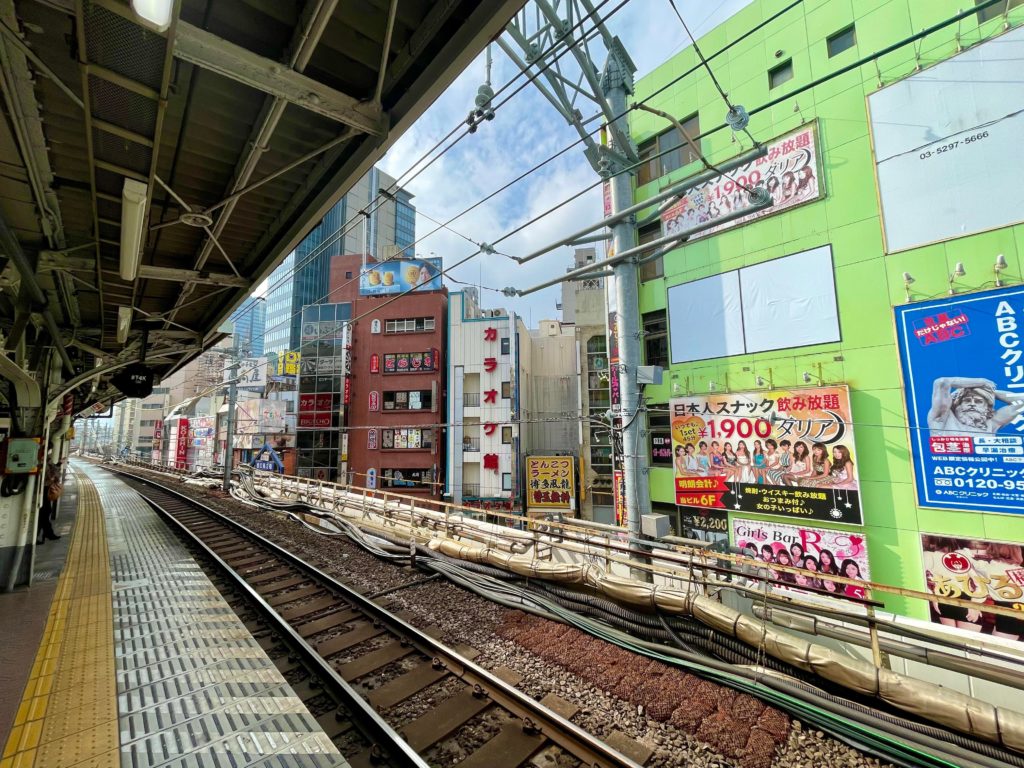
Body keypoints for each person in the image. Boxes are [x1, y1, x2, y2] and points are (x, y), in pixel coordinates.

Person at [928, 377, 1024, 436]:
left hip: (986, 467)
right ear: (958, 405)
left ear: (986, 408)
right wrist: (981, 382)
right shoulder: (942, 419)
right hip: (946, 466)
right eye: (967, 400)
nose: (972, 404)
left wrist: (988, 391)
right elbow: (941, 382)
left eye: (978, 401)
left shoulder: (991, 423)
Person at [37, 462, 62, 544]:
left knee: (45, 512)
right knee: (44, 512)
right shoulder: (44, 462)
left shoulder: (46, 461)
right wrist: (59, 464)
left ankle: (47, 533)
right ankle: (45, 534)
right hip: (42, 490)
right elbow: (53, 476)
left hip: (42, 490)